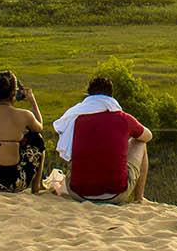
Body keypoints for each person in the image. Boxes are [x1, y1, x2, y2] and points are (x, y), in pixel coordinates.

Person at [52, 76, 151, 204]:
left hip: (77, 193)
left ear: (89, 95)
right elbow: (148, 136)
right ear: (111, 96)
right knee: (140, 143)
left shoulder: (76, 119)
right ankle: (139, 198)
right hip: (116, 195)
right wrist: (126, 139)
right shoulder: (124, 118)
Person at [0, 71, 45, 192]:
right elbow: (39, 127)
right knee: (37, 139)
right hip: (10, 181)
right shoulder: (23, 115)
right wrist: (32, 101)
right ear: (14, 92)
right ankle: (37, 186)